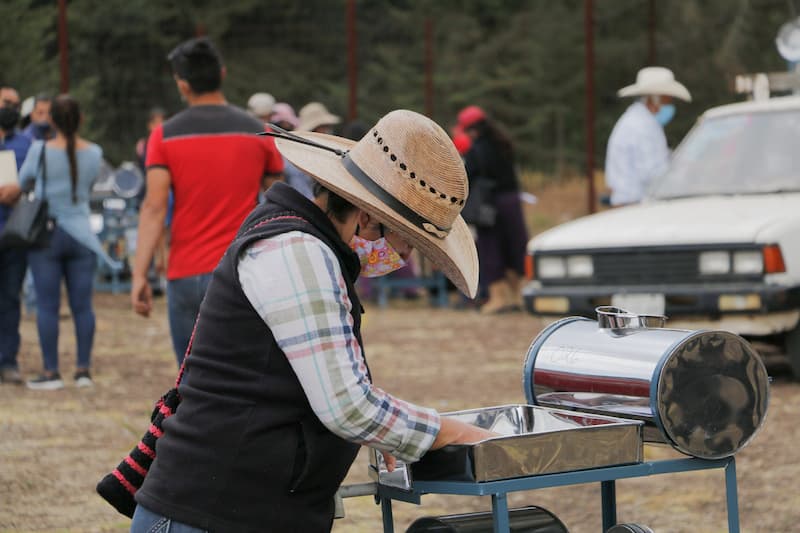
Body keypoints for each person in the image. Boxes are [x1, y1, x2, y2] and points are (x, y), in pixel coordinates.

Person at [129, 108, 494, 533]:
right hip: (211, 514)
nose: (406, 257)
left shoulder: (306, 246)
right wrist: (454, 433)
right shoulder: (299, 252)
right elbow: (347, 406)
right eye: (408, 241)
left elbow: (321, 385)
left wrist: (387, 430)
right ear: (369, 218)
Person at [131, 37, 284, 365]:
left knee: (190, 381)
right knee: (242, 374)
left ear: (182, 85)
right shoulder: (260, 132)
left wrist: (140, 274)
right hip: (244, 272)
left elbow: (154, 208)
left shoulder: (164, 136)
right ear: (223, 74)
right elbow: (280, 202)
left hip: (186, 273)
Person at [15, 95, 106, 390]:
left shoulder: (39, 150)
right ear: (81, 120)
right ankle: (83, 370)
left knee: (47, 307)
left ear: (50, 120)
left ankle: (52, 372)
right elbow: (90, 185)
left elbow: (24, 181)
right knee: (83, 307)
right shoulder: (94, 153)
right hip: (82, 236)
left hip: (47, 236)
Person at [459, 105, 528, 314]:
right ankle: (519, 296)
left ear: (471, 130)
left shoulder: (477, 150)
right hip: (512, 201)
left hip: (489, 205)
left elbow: (467, 176)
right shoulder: (503, 143)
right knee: (515, 247)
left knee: (491, 249)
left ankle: (499, 298)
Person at [605, 66, 691, 206]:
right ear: (654, 99)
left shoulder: (636, 120)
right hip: (635, 205)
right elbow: (654, 174)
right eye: (667, 100)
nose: (670, 105)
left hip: (628, 202)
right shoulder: (644, 127)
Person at [0, 85, 32, 385]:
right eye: (6, 102)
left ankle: (7, 360)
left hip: (15, 235)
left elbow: (37, 180)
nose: (11, 108)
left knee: (10, 298)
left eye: (16, 103)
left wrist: (20, 187)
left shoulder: (28, 143)